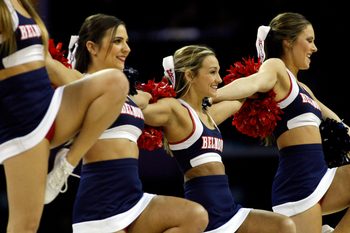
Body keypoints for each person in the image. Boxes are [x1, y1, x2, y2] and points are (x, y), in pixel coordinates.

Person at [63, 13, 209, 233]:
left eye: (127, 41)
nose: (126, 48)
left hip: (133, 199)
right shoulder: (81, 83)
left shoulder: (126, 93)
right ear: (91, 47)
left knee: (195, 216)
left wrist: (144, 96)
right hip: (100, 205)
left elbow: (140, 99)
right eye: (117, 41)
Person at [214, 12, 350, 233]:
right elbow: (253, 83)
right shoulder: (276, 68)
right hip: (298, 184)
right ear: (288, 41)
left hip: (322, 176)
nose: (314, 48)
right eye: (309, 40)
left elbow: (338, 123)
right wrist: (211, 97)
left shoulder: (305, 89)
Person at [0, 0, 129, 232]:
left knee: (116, 83)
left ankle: (66, 164)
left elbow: (48, 65)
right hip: (22, 125)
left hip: (51, 108)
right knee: (25, 225)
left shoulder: (24, 6)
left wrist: (95, 91)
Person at [141, 44, 296, 233]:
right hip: (206, 215)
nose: (219, 79)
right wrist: (145, 95)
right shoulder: (175, 110)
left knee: (283, 226)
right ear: (190, 75)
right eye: (213, 72)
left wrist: (260, 83)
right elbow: (140, 111)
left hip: (229, 211)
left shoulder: (209, 114)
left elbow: (241, 98)